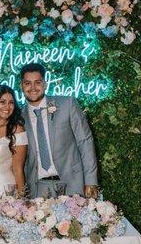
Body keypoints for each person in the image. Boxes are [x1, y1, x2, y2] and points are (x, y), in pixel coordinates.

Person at [21, 63, 98, 198]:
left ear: (44, 84)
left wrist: (91, 181)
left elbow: (85, 142)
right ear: (21, 85)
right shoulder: (18, 117)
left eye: (37, 82)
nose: (33, 87)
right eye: (28, 83)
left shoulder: (67, 104)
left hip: (72, 183)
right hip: (37, 190)